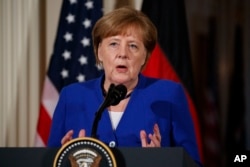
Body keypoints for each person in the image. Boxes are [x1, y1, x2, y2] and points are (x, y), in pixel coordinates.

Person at [48, 6, 202, 166]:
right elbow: (51, 159)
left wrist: (161, 160)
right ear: (99, 51)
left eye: (133, 46)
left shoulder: (169, 95)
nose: (123, 53)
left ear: (145, 57)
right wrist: (64, 159)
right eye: (114, 44)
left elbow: (193, 163)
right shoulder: (71, 96)